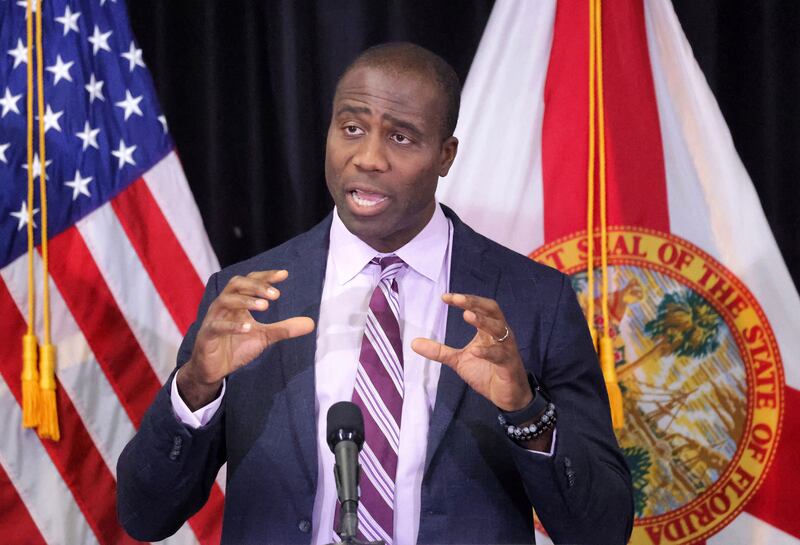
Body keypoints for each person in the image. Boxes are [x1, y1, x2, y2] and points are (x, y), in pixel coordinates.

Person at [117, 42, 633, 545]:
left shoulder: (533, 300)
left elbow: (601, 529)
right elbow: (145, 516)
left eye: (402, 138)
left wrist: (525, 412)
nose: (368, 158)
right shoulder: (250, 297)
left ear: (445, 155)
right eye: (352, 128)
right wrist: (195, 388)